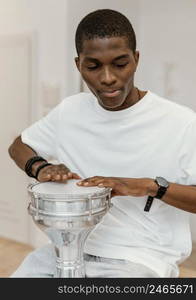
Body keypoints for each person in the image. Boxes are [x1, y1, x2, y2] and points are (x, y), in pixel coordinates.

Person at [8, 9, 196, 278]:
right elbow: (18, 146)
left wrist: (148, 186)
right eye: (93, 66)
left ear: (136, 59)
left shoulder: (181, 122)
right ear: (78, 64)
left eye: (120, 64)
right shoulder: (69, 111)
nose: (107, 77)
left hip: (139, 257)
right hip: (67, 248)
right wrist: (39, 167)